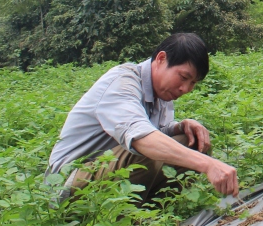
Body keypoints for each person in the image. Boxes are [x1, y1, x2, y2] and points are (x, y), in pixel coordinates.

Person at [47, 33, 239, 201]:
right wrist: (207, 165)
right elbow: (140, 137)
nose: (185, 89)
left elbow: (157, 130)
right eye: (183, 77)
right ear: (161, 59)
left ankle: (157, 218)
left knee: (190, 141)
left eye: (193, 83)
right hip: (67, 183)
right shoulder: (122, 82)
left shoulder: (161, 92)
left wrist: (180, 126)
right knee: (146, 151)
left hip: (103, 170)